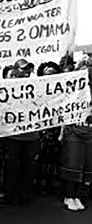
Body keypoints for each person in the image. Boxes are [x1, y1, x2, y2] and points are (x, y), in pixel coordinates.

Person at [2, 58, 40, 206]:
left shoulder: (38, 87)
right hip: (12, 135)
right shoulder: (6, 88)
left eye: (29, 68)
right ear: (16, 69)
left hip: (31, 135)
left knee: (28, 166)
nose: (27, 71)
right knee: (11, 165)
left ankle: (24, 194)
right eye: (23, 68)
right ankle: (9, 193)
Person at [59, 61, 92, 211]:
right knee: (72, 164)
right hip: (73, 132)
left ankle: (78, 196)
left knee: (86, 166)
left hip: (89, 132)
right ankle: (69, 196)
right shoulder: (69, 92)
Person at [36, 62, 62, 195]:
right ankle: (39, 183)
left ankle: (50, 182)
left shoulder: (62, 90)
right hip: (41, 129)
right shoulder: (37, 89)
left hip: (56, 128)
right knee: (41, 157)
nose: (51, 76)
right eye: (47, 74)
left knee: (53, 157)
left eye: (54, 73)